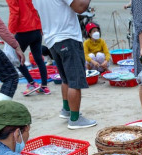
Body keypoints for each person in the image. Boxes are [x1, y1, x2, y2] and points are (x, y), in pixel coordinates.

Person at [32, 0, 97, 129]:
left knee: (66, 78)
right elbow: (80, 7)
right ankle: (75, 118)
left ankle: (67, 109)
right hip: (67, 37)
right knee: (75, 80)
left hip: (51, 39)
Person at [6, 0, 50, 96]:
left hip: (24, 30)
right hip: (36, 29)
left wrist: (10, 32)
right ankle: (44, 86)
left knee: (16, 58)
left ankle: (32, 83)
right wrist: (40, 28)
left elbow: (14, 12)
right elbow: (36, 10)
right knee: (39, 59)